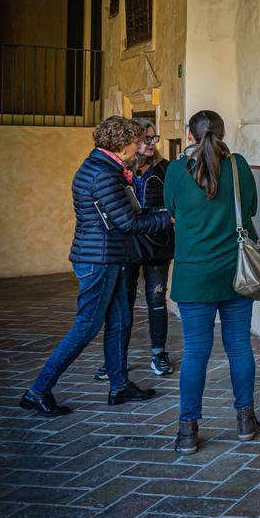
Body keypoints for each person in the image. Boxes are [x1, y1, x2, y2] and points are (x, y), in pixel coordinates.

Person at [20, 116, 170, 416]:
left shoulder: (106, 168)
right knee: (86, 326)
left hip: (110, 257)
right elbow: (127, 222)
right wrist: (169, 218)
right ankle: (38, 390)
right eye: (135, 141)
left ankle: (119, 385)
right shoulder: (103, 174)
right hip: (98, 259)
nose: (138, 147)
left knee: (119, 322)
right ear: (121, 144)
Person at [164, 110, 260, 454]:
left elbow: (171, 210)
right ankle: (245, 420)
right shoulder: (238, 166)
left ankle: (188, 431)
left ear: (189, 136)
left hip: (194, 275)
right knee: (238, 346)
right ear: (223, 135)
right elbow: (249, 208)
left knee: (194, 352)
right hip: (236, 272)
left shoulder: (176, 170)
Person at [94, 117, 174, 381]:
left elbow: (174, 205)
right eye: (145, 139)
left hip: (157, 243)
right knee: (122, 304)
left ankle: (158, 354)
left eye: (153, 138)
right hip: (125, 244)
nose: (151, 144)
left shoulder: (167, 169)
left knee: (156, 300)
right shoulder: (116, 170)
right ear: (132, 142)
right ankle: (116, 361)